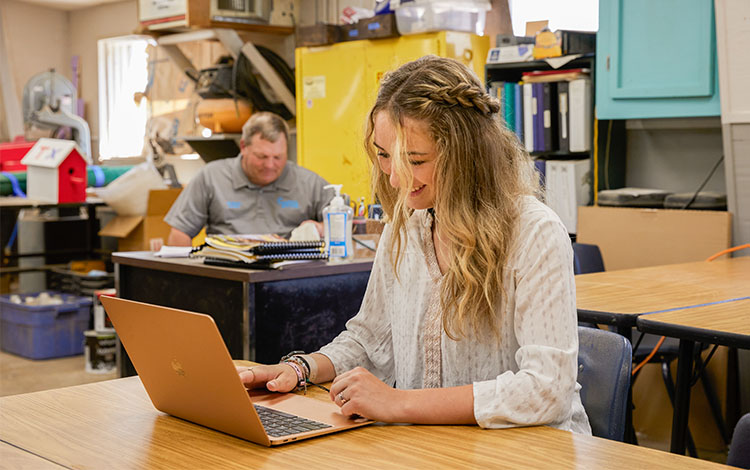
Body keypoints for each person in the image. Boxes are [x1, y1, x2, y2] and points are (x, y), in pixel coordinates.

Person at [238, 56, 591, 434]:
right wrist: (299, 369)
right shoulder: (407, 223)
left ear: (467, 157)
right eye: (384, 155)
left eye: (415, 160)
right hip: (431, 446)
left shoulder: (534, 232)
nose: (394, 179)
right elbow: (369, 340)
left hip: (523, 453)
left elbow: (546, 389)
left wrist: (398, 402)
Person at [165, 112, 331, 245]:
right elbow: (180, 233)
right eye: (262, 156)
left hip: (287, 275)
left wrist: (322, 228)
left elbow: (348, 223)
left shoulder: (308, 183)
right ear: (243, 146)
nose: (270, 165)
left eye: (278, 157)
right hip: (228, 274)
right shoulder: (211, 178)